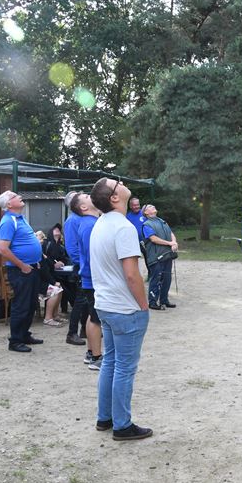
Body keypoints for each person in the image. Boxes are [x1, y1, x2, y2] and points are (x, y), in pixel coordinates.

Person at [88, 178, 152, 441]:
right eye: (118, 184)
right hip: (125, 308)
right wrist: (144, 304)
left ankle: (105, 418)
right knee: (125, 367)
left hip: (105, 305)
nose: (123, 184)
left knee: (111, 362)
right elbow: (131, 275)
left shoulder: (100, 224)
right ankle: (122, 425)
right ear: (114, 198)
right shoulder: (123, 228)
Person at [0, 190, 44, 353]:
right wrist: (22, 265)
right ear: (9, 204)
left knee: (31, 304)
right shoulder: (8, 221)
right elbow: (3, 249)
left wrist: (35, 259)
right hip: (20, 271)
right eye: (15, 196)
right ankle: (15, 341)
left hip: (31, 268)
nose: (20, 197)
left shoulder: (20, 218)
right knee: (21, 305)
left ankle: (24, 335)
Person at [71, 193, 104, 370]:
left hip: (91, 279)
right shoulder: (90, 225)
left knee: (93, 315)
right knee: (96, 318)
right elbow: (93, 257)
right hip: (93, 279)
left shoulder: (91, 223)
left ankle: (91, 353)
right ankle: (96, 358)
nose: (90, 195)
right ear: (83, 207)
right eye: (86, 196)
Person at [141, 204, 178, 310]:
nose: (153, 207)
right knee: (156, 278)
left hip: (167, 255)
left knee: (167, 278)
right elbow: (153, 239)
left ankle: (164, 300)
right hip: (156, 256)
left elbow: (171, 233)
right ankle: (152, 302)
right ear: (146, 213)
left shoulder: (162, 221)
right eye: (150, 207)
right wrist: (169, 243)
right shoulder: (147, 224)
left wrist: (174, 242)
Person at [63, 192, 87, 346]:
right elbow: (71, 248)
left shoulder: (84, 218)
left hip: (86, 265)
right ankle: (71, 333)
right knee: (79, 301)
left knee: (87, 301)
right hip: (81, 267)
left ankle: (86, 328)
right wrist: (83, 264)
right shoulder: (72, 220)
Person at [34, 230, 65, 327]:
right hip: (36, 284)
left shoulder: (41, 254)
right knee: (55, 290)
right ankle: (48, 318)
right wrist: (53, 282)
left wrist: (47, 259)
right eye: (40, 240)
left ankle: (54, 315)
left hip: (40, 281)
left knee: (60, 289)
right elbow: (43, 271)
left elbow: (48, 266)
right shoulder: (37, 254)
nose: (43, 242)